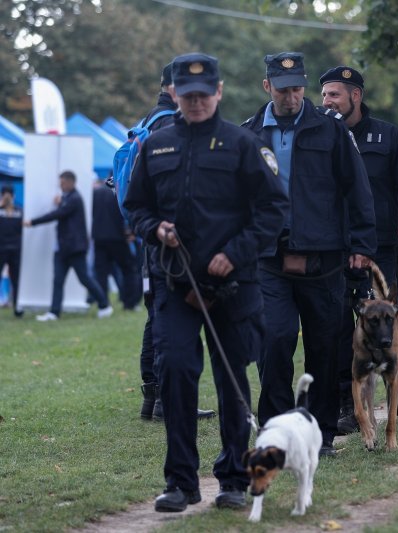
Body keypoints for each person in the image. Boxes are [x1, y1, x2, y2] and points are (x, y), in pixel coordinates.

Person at [124, 52, 289, 511]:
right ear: (174, 94)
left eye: (203, 95)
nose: (195, 103)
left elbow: (274, 209)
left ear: (218, 92)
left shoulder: (244, 145)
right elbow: (135, 206)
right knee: (175, 372)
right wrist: (155, 228)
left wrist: (233, 254)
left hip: (234, 285)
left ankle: (233, 478)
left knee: (230, 377)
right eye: (187, 95)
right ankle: (181, 483)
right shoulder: (154, 146)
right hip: (174, 283)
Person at [241, 52, 376, 457]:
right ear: (268, 87)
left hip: (324, 258)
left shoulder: (330, 130)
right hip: (269, 258)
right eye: (283, 89)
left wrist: (363, 248)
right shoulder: (250, 134)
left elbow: (357, 189)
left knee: (324, 346)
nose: (292, 95)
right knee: (275, 340)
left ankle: (320, 436)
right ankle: (277, 431)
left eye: (298, 87)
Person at [319, 65, 398, 434]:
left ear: (355, 96)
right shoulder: (319, 135)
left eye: (334, 94)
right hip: (332, 247)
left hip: (380, 248)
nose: (327, 101)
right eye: (324, 95)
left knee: (385, 321)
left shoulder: (387, 137)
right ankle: (346, 406)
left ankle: (397, 393)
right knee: (336, 326)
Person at [131, 63, 214, 422]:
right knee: (165, 321)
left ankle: (153, 398)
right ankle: (165, 398)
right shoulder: (166, 124)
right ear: (172, 87)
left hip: (153, 241)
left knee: (156, 316)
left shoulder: (148, 120)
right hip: (168, 244)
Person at [24, 171, 113, 321]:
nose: (60, 186)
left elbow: (57, 214)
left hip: (74, 248)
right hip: (62, 248)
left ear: (71, 183)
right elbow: (61, 210)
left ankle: (105, 305)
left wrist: (32, 222)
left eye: (63, 183)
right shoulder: (68, 198)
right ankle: (54, 312)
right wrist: (61, 201)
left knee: (84, 278)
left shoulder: (75, 199)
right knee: (58, 280)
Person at [92, 179, 140, 310]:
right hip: (118, 238)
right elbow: (128, 213)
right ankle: (129, 303)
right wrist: (132, 232)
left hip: (99, 238)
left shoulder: (95, 193)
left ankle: (103, 304)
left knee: (101, 273)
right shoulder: (120, 192)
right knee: (129, 270)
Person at [0, 185, 23, 317]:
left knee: (15, 280)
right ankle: (17, 308)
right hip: (15, 250)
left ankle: (17, 307)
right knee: (16, 280)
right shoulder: (19, 211)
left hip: (2, 249)